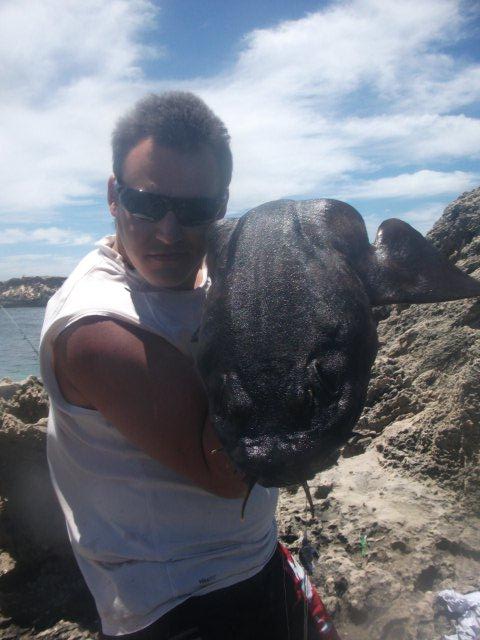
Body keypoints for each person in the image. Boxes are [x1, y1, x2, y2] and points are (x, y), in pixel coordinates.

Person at [40, 92, 340, 639]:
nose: (169, 232)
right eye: (147, 203)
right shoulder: (95, 329)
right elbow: (230, 470)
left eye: (196, 209)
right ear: (113, 196)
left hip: (254, 555)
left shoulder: (209, 279)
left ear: (221, 205)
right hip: (174, 602)